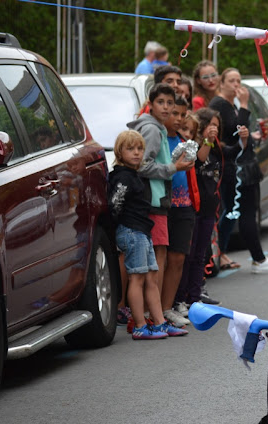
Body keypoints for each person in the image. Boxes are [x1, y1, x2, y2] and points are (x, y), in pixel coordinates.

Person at [108, 130, 188, 339]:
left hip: (143, 232)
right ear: (119, 151)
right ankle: (140, 326)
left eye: (140, 149)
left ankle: (160, 322)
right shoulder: (122, 176)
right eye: (130, 149)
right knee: (137, 278)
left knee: (152, 277)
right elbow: (115, 205)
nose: (136, 153)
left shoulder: (134, 174)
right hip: (132, 231)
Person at [127, 83, 195, 328]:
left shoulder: (156, 128)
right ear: (151, 104)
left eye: (170, 103)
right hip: (153, 203)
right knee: (155, 261)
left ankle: (154, 316)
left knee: (157, 260)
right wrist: (173, 168)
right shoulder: (153, 130)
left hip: (157, 203)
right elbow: (142, 165)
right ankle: (151, 319)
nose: (166, 108)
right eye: (161, 103)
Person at [209, 68, 268, 274]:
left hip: (239, 164)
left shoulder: (228, 104)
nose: (237, 85)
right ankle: (258, 260)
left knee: (233, 213)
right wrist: (244, 105)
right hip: (236, 167)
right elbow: (235, 132)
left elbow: (237, 132)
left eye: (239, 80)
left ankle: (219, 253)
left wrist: (253, 137)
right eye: (232, 81)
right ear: (222, 84)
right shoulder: (220, 104)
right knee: (244, 212)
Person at [176, 108, 223, 313]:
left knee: (200, 255)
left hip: (208, 208)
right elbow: (201, 160)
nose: (214, 129)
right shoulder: (194, 148)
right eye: (210, 125)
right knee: (188, 254)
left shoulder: (214, 147)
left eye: (217, 126)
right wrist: (207, 141)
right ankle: (180, 298)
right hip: (193, 207)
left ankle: (194, 298)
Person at [161, 95, 196, 327]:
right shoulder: (159, 139)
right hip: (163, 206)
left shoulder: (184, 140)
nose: (179, 119)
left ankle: (167, 307)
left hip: (185, 205)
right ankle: (154, 308)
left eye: (183, 115)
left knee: (178, 258)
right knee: (160, 260)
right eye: (175, 114)